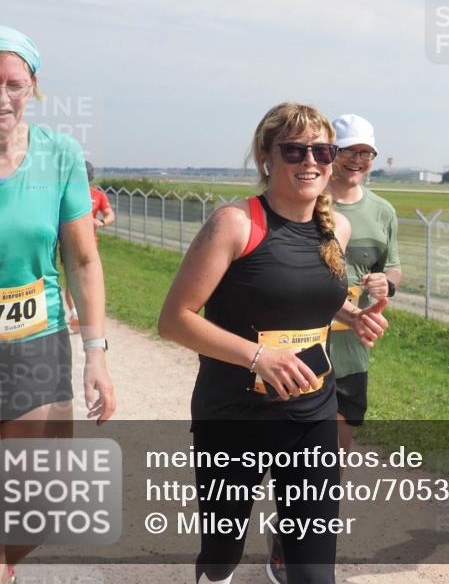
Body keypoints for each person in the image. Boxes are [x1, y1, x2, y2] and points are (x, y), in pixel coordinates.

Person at [157, 102, 389, 584]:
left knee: (313, 572)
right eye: (295, 150)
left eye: (323, 150)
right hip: (235, 419)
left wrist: (350, 314)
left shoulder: (336, 228)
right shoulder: (236, 223)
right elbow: (174, 320)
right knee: (222, 553)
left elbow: (303, 300)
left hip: (312, 417)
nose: (311, 162)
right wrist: (257, 357)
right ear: (266, 156)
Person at [0, 25, 117, 584]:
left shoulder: (60, 154)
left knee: (34, 513)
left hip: (39, 339)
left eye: (14, 84)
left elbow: (83, 260)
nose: (1, 97)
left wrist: (96, 353)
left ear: (34, 87)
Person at [326, 114, 401, 453]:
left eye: (365, 153)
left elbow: (393, 268)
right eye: (348, 150)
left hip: (352, 350)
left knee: (338, 443)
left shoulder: (383, 211)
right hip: (305, 342)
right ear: (330, 152)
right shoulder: (309, 204)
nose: (357, 160)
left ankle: (327, 506)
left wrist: (387, 282)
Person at [64, 160, 115, 333]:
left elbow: (110, 214)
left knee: (88, 278)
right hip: (68, 243)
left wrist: (101, 222)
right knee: (72, 279)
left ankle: (89, 315)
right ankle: (75, 314)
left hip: (91, 243)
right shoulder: (65, 193)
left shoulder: (98, 195)